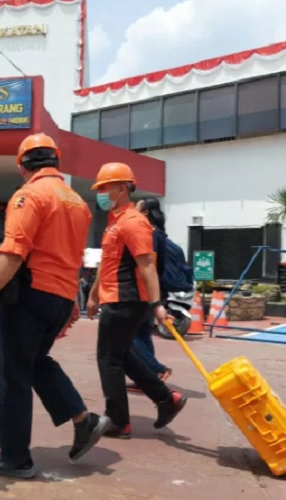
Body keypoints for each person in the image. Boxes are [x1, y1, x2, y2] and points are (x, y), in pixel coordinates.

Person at [0, 133, 108, 480]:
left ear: (22, 165)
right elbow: (74, 256)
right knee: (34, 363)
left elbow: (14, 250)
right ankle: (82, 420)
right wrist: (72, 300)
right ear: (55, 161)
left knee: (9, 375)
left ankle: (15, 458)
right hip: (59, 297)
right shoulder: (77, 202)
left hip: (29, 297)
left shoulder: (29, 195)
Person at [87, 162, 187, 440]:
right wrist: (94, 295)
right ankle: (167, 399)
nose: (101, 193)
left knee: (108, 359)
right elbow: (107, 264)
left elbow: (146, 265)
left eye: (104, 188)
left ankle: (119, 421)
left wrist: (157, 304)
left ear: (121, 189)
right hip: (116, 298)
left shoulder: (133, 223)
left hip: (126, 300)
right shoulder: (117, 222)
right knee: (123, 355)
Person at [126, 197, 173, 393]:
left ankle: (156, 369)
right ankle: (146, 379)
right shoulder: (159, 233)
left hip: (145, 290)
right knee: (143, 335)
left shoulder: (150, 233)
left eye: (137, 207)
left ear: (145, 213)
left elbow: (148, 264)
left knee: (127, 334)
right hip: (152, 289)